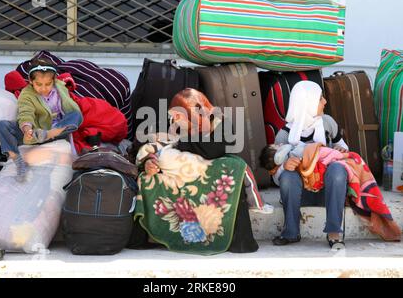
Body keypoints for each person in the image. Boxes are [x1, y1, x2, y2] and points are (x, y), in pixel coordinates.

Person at [139, 88, 259, 253]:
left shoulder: (221, 122)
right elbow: (154, 143)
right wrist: (149, 161)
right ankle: (151, 235)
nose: (174, 119)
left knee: (234, 168)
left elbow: (212, 150)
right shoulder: (176, 125)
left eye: (178, 115)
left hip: (212, 174)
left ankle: (232, 239)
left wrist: (179, 142)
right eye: (173, 115)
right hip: (183, 175)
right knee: (147, 177)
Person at [270, 81, 349, 249]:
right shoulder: (284, 135)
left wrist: (341, 150)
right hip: (299, 195)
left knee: (338, 169)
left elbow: (345, 149)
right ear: (308, 103)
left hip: (328, 193)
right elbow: (274, 174)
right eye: (320, 98)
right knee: (288, 176)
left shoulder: (327, 123)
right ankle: (291, 232)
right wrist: (285, 166)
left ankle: (334, 232)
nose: (325, 101)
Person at [0, 58, 82, 182]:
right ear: (31, 81)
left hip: (55, 132)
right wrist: (27, 129)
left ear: (54, 80)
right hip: (34, 132)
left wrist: (50, 133)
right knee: (1, 126)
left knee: (76, 115)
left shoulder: (60, 88)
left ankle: (47, 135)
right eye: (39, 84)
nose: (44, 88)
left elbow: (70, 109)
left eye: (48, 84)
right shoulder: (27, 94)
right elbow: (25, 113)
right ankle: (18, 161)